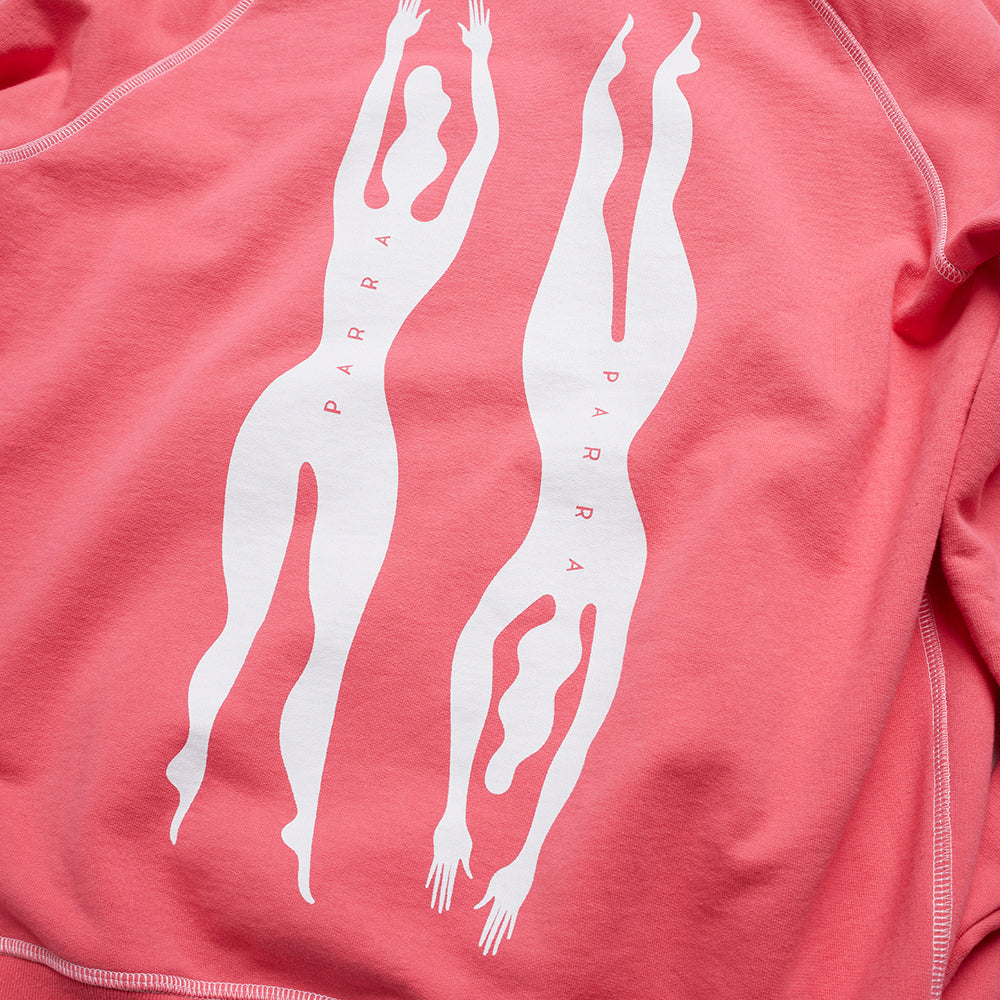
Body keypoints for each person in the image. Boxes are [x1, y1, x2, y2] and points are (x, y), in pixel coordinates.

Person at [166, 0, 498, 905]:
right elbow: (381, 135)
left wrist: (465, 64)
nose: (420, 140)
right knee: (246, 619)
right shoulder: (370, 206)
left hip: (354, 425)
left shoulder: (424, 229)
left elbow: (476, 160)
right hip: (298, 406)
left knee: (328, 639)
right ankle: (195, 775)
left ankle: (299, 820)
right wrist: (399, 48)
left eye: (432, 125)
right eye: (417, 123)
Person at [427, 11, 701, 954]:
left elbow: (473, 655)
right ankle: (668, 75)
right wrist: (526, 858)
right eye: (532, 702)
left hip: (566, 376)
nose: (530, 680)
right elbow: (580, 733)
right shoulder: (614, 585)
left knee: (590, 196)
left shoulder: (530, 574)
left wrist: (457, 812)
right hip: (640, 387)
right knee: (653, 204)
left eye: (521, 688)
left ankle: (620, 62)